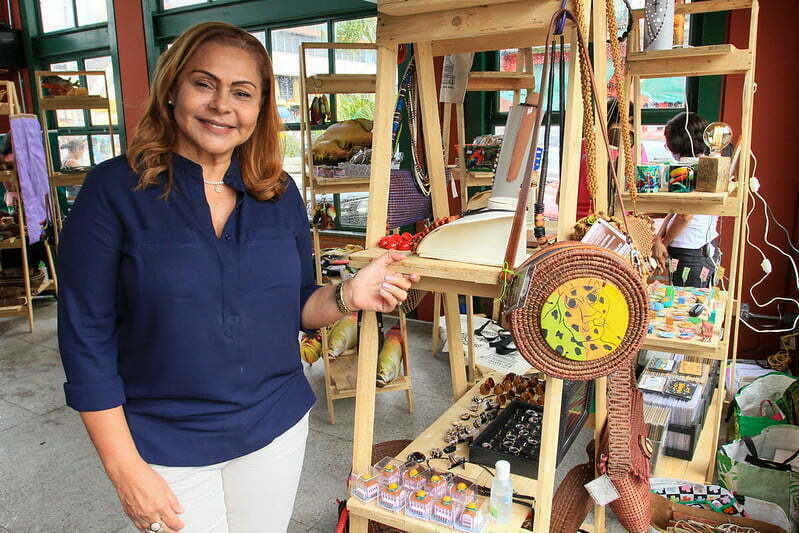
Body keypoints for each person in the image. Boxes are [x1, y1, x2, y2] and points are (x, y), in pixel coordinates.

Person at [57, 22, 419, 533]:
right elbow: (85, 339)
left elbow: (297, 305)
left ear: (261, 108)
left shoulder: (278, 192)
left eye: (242, 92)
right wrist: (124, 469)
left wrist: (349, 295)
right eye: (204, 84)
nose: (222, 105)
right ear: (173, 89)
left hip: (275, 428)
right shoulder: (114, 191)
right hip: (165, 442)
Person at [652, 111, 718, 288]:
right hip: (692, 250)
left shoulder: (700, 169)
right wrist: (659, 238)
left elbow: (685, 215)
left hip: (692, 253)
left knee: (688, 302)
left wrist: (664, 243)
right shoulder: (695, 165)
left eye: (668, 144)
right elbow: (676, 211)